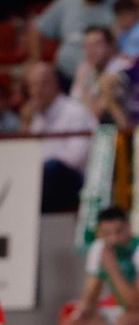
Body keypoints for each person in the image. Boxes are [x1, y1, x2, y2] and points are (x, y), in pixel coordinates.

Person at [19, 60, 95, 212]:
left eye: (43, 84)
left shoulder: (74, 111)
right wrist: (25, 124)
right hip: (44, 180)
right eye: (33, 86)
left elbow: (76, 157)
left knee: (52, 168)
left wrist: (39, 168)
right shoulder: (35, 117)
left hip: (78, 182)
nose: (37, 91)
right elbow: (24, 158)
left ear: (55, 84)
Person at [30, 0, 113, 79]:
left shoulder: (117, 2)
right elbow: (36, 29)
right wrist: (37, 62)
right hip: (64, 74)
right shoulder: (66, 1)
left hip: (103, 75)